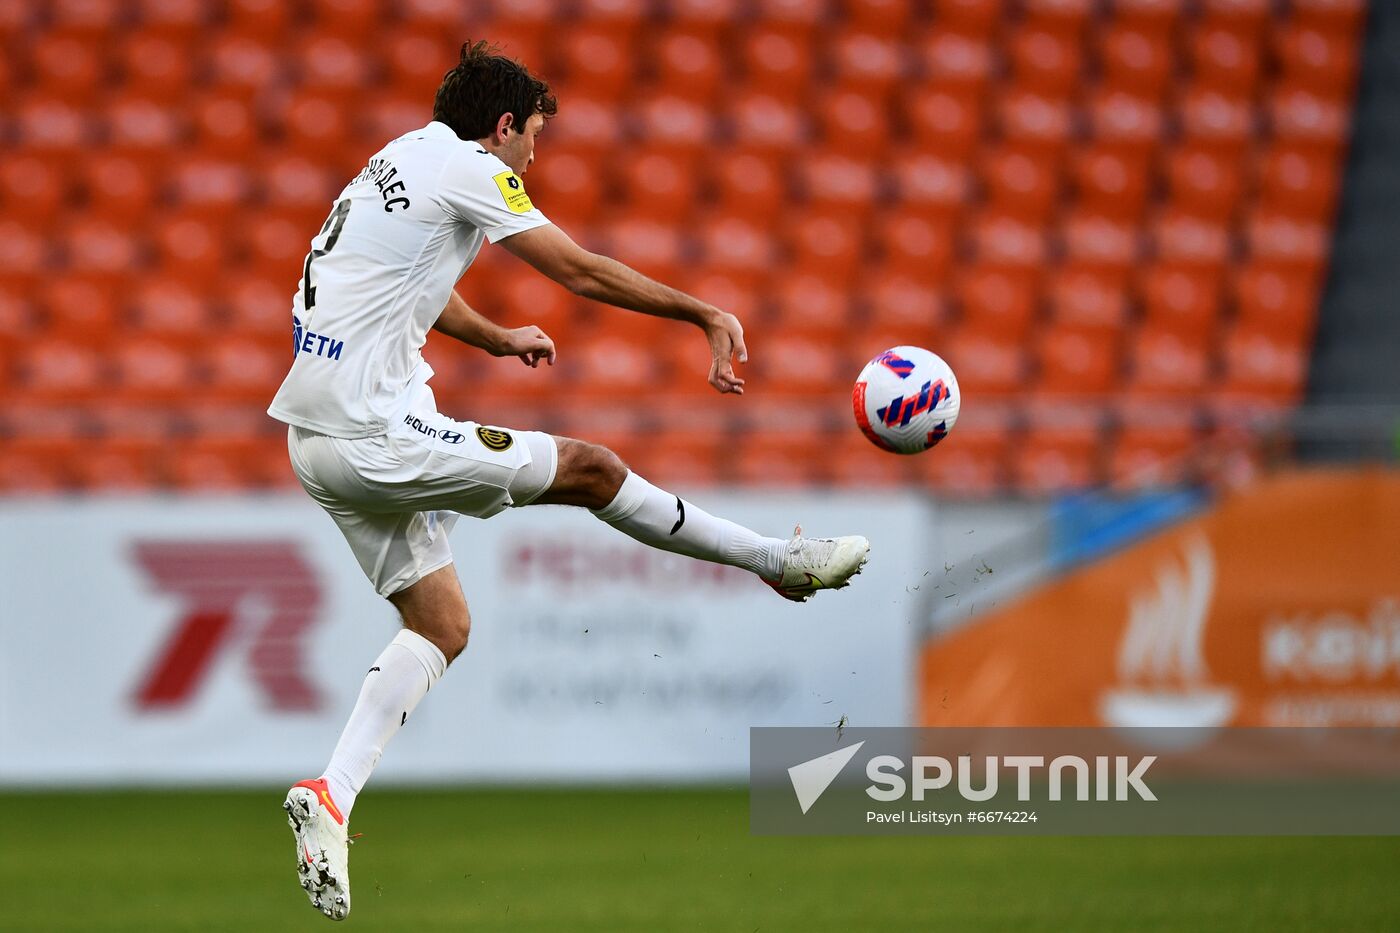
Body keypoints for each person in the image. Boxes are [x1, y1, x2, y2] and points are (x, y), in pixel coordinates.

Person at [267, 41, 869, 921]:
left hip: (315, 439)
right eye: (534, 139)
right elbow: (578, 269)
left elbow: (408, 289)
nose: (533, 160)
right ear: (503, 126)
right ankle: (779, 560)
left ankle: (331, 794)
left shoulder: (395, 160)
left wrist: (498, 336)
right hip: (373, 431)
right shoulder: (472, 165)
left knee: (442, 620)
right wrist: (701, 310)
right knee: (594, 468)